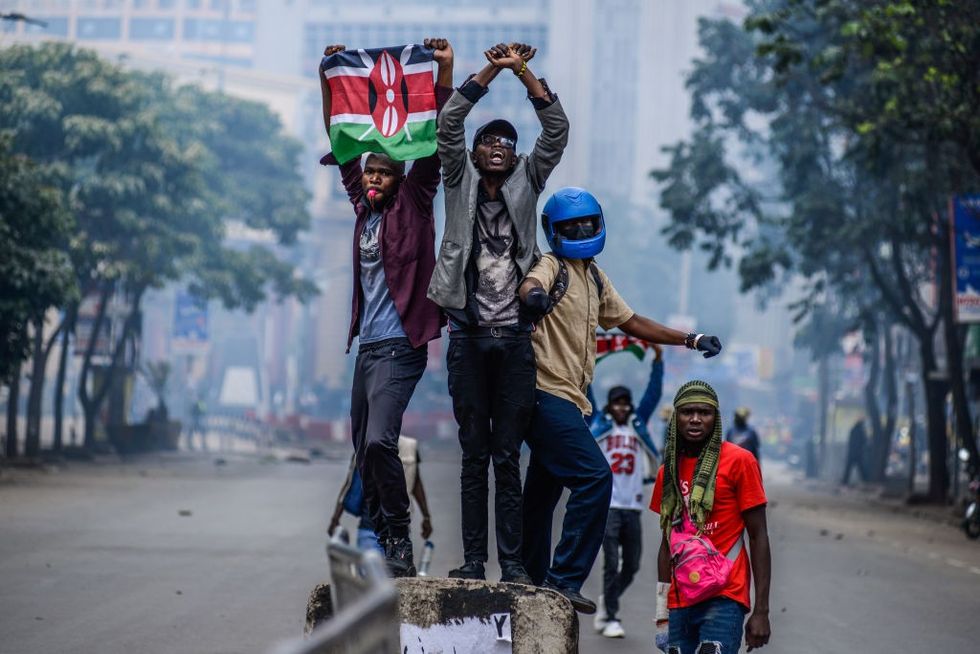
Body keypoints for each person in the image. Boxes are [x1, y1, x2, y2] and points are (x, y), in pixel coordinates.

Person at [517, 186, 723, 613]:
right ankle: (563, 578)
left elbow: (631, 321)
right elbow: (530, 283)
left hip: (569, 399)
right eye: (570, 226)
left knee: (541, 496)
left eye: (586, 223)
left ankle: (528, 579)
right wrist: (533, 297)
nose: (579, 230)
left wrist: (691, 338)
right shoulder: (552, 264)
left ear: (598, 224)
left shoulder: (593, 276)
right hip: (545, 394)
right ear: (553, 231)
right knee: (595, 479)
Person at [427, 42, 568, 584]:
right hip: (465, 333)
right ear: (477, 150)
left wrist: (524, 71)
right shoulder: (456, 178)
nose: (494, 147)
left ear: (514, 155)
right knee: (473, 455)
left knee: (507, 456)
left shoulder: (528, 180)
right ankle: (472, 561)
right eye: (487, 141)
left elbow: (556, 130)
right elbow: (448, 123)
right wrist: (490, 69)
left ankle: (511, 564)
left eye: (505, 143)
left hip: (514, 337)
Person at [318, 38, 453, 577]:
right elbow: (341, 135)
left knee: (380, 441)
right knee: (363, 451)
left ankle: (395, 537)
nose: (372, 177)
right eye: (367, 172)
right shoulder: (361, 212)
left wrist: (444, 71)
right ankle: (378, 543)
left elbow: (438, 144)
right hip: (368, 350)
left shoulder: (416, 203)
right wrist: (325, 74)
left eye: (382, 172)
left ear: (400, 176)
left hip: (402, 346)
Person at [651, 380, 772, 653]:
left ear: (715, 419)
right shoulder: (667, 471)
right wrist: (661, 611)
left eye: (704, 413)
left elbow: (758, 535)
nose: (695, 419)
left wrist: (761, 610)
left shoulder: (740, 461)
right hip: (680, 598)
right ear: (676, 417)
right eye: (687, 412)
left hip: (725, 594)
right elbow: (667, 542)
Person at [587, 346, 664, 638]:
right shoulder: (599, 423)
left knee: (631, 564)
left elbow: (652, 396)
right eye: (617, 403)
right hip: (608, 506)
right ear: (609, 405)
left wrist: (657, 362)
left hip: (632, 505)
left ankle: (609, 602)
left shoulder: (637, 425)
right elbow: (586, 391)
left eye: (626, 403)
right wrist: (586, 362)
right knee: (611, 563)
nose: (622, 407)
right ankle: (611, 618)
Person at [329, 436, 433, 553]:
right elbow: (417, 484)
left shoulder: (364, 445)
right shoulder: (408, 447)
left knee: (372, 568)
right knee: (395, 569)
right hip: (388, 530)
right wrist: (426, 517)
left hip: (378, 530)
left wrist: (335, 520)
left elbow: (350, 485)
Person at [841, 417, 868, 486]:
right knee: (860, 468)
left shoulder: (853, 430)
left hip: (852, 452)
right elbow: (864, 441)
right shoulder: (861, 431)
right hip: (857, 453)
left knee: (849, 468)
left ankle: (845, 481)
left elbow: (850, 441)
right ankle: (865, 480)